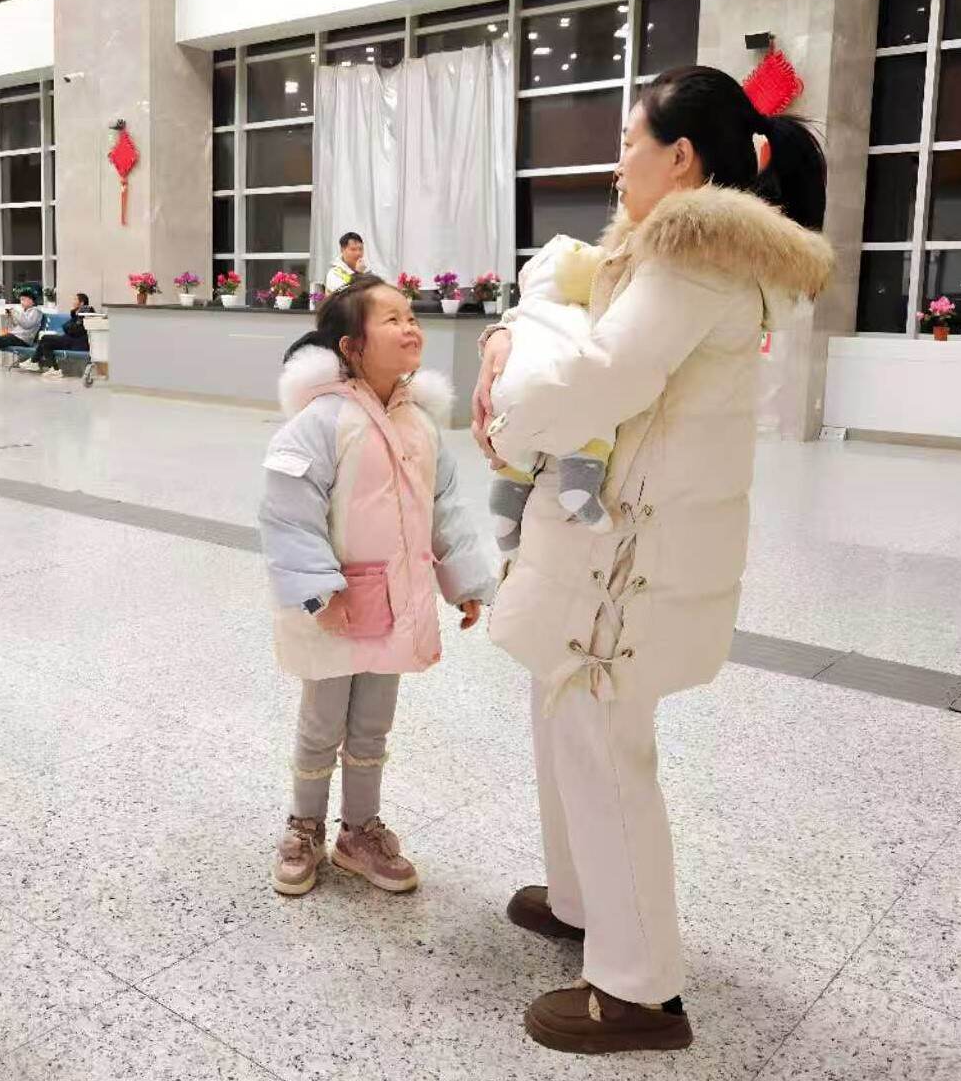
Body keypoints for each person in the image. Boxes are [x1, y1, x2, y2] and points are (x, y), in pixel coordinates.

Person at [472, 65, 832, 1055]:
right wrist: (514, 337)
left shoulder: (692, 261)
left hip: (627, 556)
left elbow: (599, 376)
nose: (614, 158)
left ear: (679, 158)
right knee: (564, 711)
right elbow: (577, 314)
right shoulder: (680, 252)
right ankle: (586, 899)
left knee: (599, 738)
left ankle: (635, 992)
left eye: (628, 140)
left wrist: (504, 403)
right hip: (614, 539)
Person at [259, 275, 495, 898]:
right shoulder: (322, 421)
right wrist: (317, 585)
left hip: (397, 600)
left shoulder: (420, 424)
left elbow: (444, 506)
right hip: (335, 603)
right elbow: (288, 509)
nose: (409, 325)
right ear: (351, 346)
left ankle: (359, 830)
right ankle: (303, 824)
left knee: (372, 724)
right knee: (322, 721)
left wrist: (463, 580)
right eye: (390, 318)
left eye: (410, 315)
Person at [486, 235, 618, 554]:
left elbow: (505, 330)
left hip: (509, 388)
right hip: (564, 384)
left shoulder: (526, 308)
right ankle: (579, 485)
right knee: (597, 420)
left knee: (516, 450)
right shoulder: (589, 310)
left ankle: (505, 509)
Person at [34, 292, 94, 378]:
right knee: (46, 344)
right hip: (71, 340)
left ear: (82, 303)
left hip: (77, 343)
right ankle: (54, 369)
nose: (73, 302)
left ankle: (34, 361)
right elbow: (69, 327)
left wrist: (70, 322)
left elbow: (74, 330)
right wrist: (73, 314)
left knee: (45, 338)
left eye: (75, 300)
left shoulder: (86, 312)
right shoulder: (78, 313)